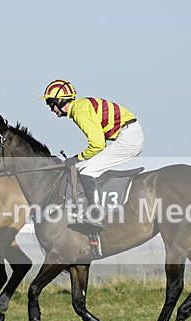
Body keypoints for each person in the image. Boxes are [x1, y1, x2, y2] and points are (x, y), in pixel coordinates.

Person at [41, 79, 144, 227]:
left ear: (60, 100)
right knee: (89, 168)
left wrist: (76, 159)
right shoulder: (81, 106)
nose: (51, 109)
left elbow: (97, 145)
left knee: (87, 172)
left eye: (51, 103)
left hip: (129, 137)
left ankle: (96, 214)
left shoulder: (80, 111)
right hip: (129, 134)